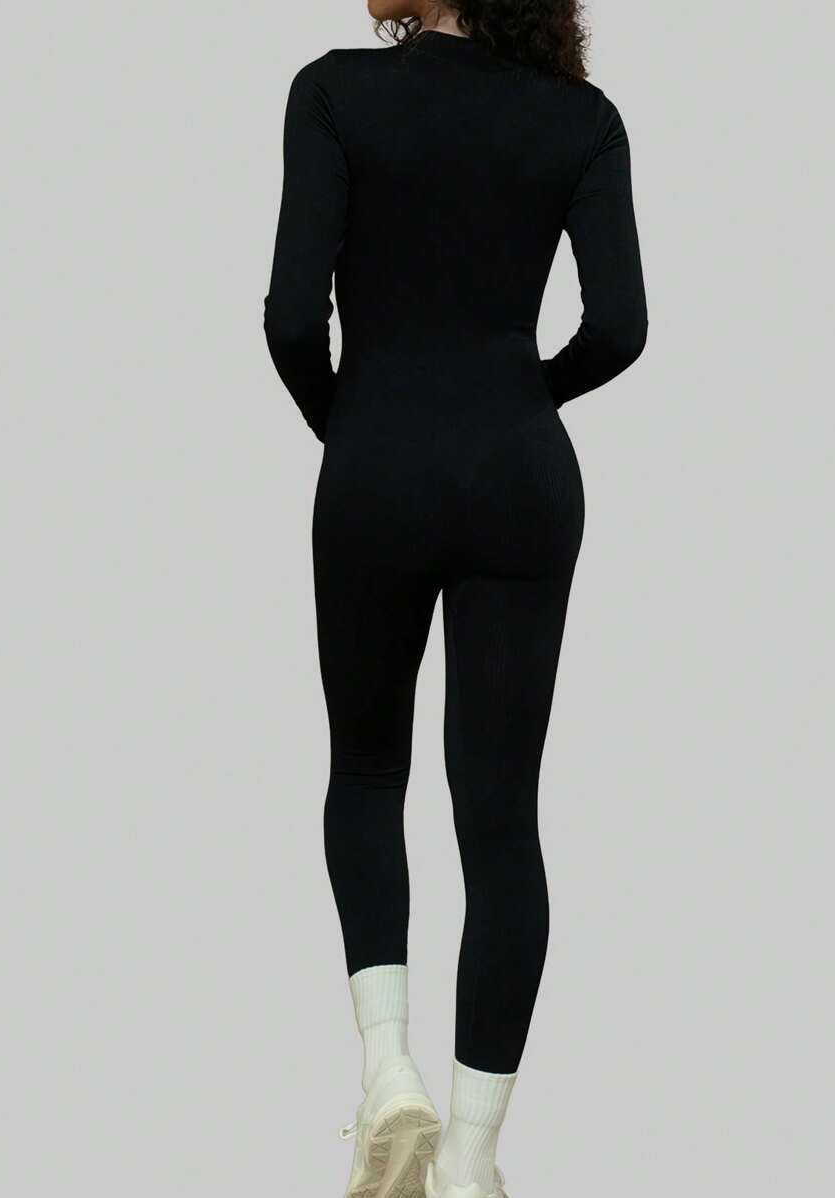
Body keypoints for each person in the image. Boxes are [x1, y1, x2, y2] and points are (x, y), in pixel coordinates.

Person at [262, 2, 647, 1194]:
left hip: (376, 463)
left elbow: (292, 318)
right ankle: (475, 1159)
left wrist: (355, 425)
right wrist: (519, 398)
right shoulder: (581, 121)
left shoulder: (334, 92)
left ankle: (390, 1075)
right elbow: (621, 326)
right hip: (521, 477)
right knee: (502, 817)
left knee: (368, 769)